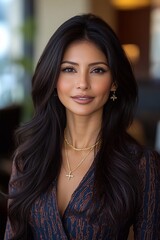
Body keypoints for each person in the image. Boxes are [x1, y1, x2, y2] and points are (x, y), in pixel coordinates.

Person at [4, 13, 160, 240]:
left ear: (114, 81)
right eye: (69, 69)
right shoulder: (27, 158)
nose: (82, 84)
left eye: (97, 70)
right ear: (54, 79)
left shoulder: (142, 165)